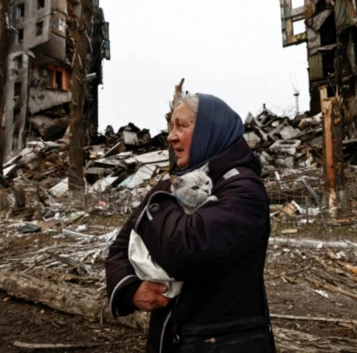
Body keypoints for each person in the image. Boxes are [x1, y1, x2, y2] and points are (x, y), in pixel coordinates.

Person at [105, 93, 275, 352]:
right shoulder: (178, 181)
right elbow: (121, 245)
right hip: (171, 337)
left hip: (223, 343)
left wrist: (160, 200)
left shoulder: (243, 190)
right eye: (171, 127)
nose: (171, 136)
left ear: (210, 130)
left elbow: (186, 249)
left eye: (181, 126)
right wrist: (130, 289)